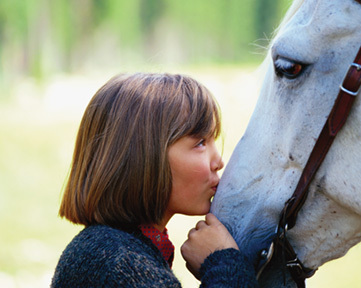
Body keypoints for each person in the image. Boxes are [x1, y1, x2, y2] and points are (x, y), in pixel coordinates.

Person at [51, 73, 258, 287]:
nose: (218, 161)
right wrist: (224, 261)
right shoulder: (116, 261)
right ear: (142, 156)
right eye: (200, 143)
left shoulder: (108, 249)